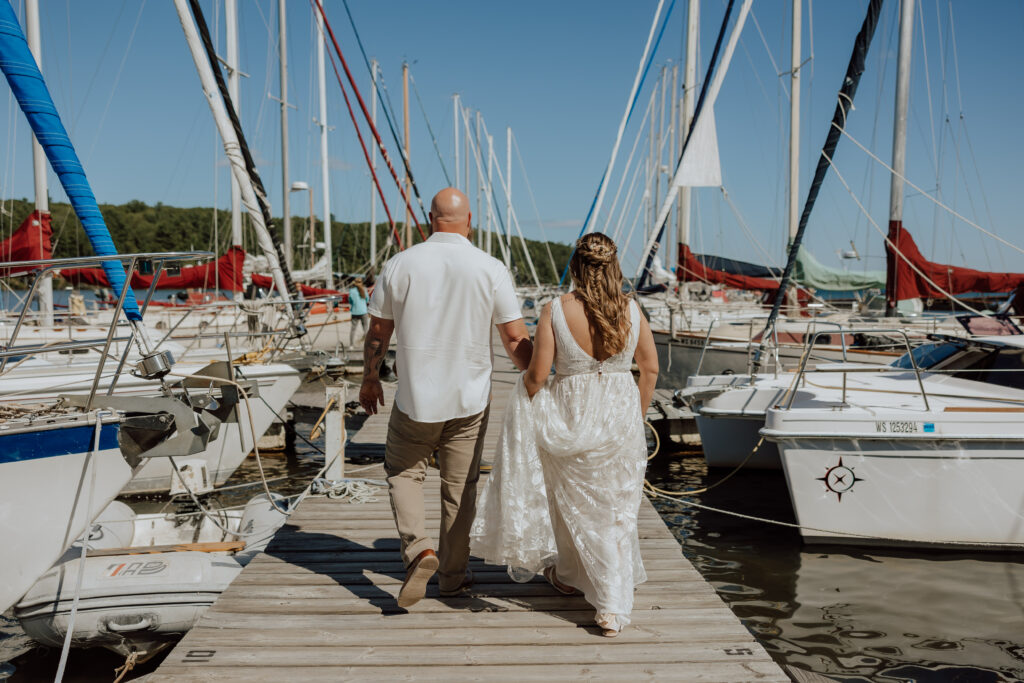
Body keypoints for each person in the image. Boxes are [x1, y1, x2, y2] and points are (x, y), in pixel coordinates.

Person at [471, 232, 658, 637]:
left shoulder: (555, 309)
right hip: (619, 415)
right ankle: (575, 576)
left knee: (571, 501)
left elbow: (537, 375)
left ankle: (610, 605)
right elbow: (650, 369)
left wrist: (532, 403)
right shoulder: (633, 310)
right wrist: (634, 416)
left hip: (571, 413)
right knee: (613, 512)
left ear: (575, 265)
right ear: (613, 267)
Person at [360, 187, 533, 609]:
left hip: (415, 396)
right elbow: (514, 338)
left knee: (403, 473)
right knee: (461, 488)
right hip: (470, 398)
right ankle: (453, 579)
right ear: (468, 221)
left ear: (429, 219)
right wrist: (541, 374)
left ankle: (420, 550)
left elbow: (379, 332)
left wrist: (370, 378)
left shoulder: (400, 264)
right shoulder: (489, 268)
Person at [348, 277, 370, 348]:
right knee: (365, 329)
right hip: (363, 311)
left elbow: (350, 301)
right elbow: (367, 300)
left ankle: (351, 345)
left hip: (355, 312)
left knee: (353, 329)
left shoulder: (351, 291)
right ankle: (367, 345)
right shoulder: (364, 290)